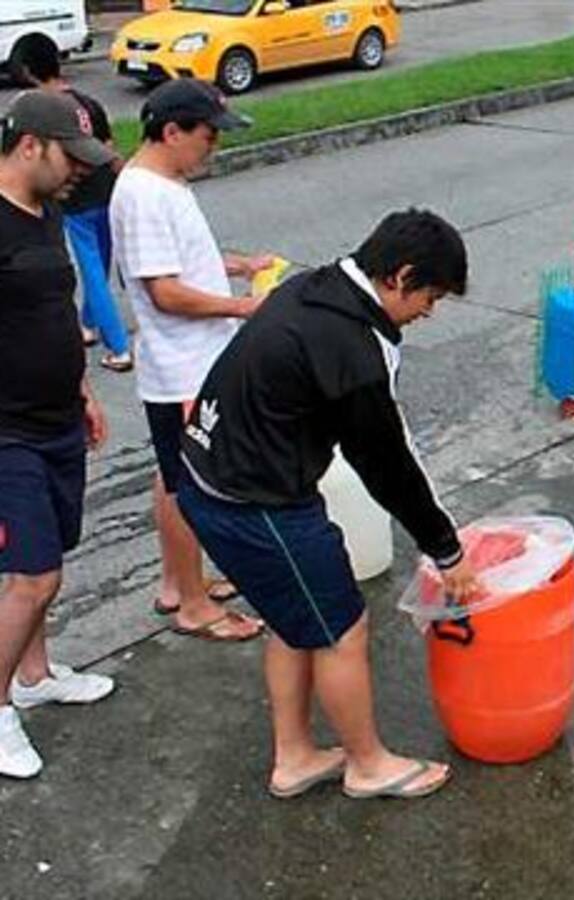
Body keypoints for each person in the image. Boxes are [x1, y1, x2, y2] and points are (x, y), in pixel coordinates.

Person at [176, 209, 479, 800]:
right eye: (430, 296)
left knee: (294, 622)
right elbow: (386, 465)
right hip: (256, 504)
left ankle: (294, 756)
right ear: (400, 276)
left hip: (207, 481)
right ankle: (368, 765)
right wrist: (446, 549)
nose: (428, 312)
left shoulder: (313, 288)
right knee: (342, 627)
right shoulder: (349, 347)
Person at [110, 79, 272, 642]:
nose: (214, 147)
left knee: (173, 475)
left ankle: (179, 583)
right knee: (191, 486)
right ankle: (194, 606)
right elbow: (164, 293)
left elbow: (184, 263)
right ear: (172, 131)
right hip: (182, 367)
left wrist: (238, 264)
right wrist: (245, 308)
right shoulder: (145, 195)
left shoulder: (164, 183)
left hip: (189, 363)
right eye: (208, 136)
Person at [0, 91, 116, 779]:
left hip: (56, 421)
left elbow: (51, 313)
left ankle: (35, 675)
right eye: (70, 157)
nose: (79, 170)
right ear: (29, 146)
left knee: (45, 567)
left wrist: (82, 389)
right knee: (33, 577)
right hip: (6, 432)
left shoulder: (45, 213)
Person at [14, 34, 133, 372]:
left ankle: (119, 347)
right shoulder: (88, 102)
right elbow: (108, 147)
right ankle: (88, 325)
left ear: (26, 69)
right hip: (107, 194)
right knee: (102, 268)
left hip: (76, 203)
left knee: (92, 273)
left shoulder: (36, 110)